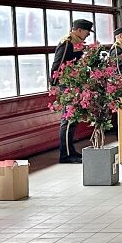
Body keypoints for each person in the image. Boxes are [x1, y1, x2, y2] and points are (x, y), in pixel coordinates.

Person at [51, 19, 93, 163]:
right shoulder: (67, 42)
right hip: (66, 85)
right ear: (79, 30)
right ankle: (65, 154)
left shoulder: (77, 42)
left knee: (73, 120)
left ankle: (71, 151)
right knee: (68, 120)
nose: (88, 35)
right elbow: (58, 63)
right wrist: (54, 83)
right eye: (87, 32)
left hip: (75, 84)